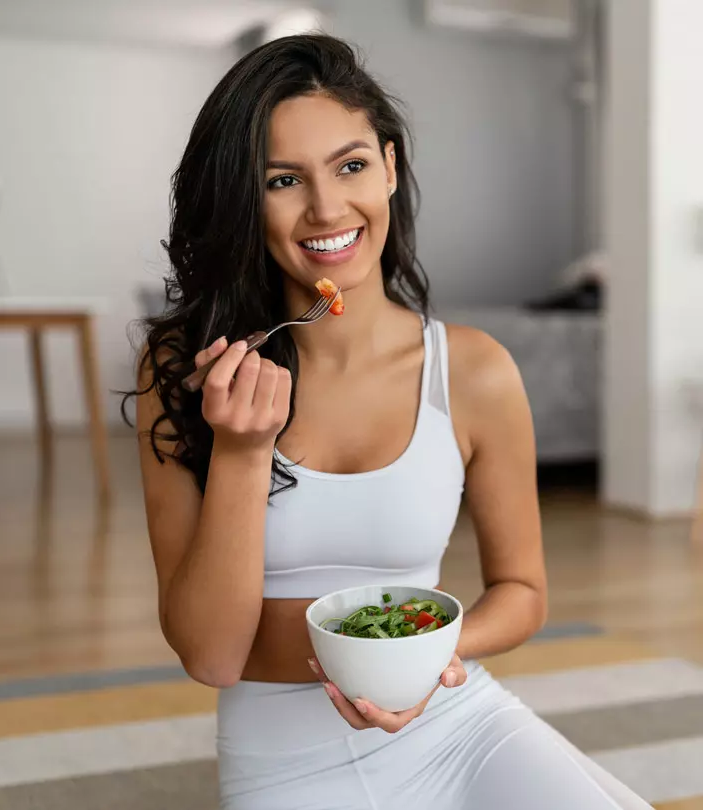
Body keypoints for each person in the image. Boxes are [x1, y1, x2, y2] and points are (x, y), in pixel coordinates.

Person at [127, 33, 653, 810]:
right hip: (285, 760)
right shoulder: (186, 368)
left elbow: (522, 591)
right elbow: (211, 655)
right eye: (282, 179)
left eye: (351, 165)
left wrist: (428, 657)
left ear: (391, 167)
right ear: (246, 198)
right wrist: (241, 451)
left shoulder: (472, 371)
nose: (327, 208)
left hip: (457, 723)